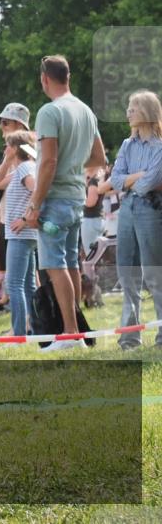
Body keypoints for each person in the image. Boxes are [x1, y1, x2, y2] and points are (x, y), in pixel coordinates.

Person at [23, 55, 107, 350]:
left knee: (55, 266)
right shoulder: (85, 110)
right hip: (76, 198)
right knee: (70, 263)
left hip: (55, 199)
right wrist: (75, 166)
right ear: (67, 77)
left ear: (45, 79)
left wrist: (34, 205)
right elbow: (99, 159)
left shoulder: (49, 111)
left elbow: (47, 162)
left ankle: (70, 334)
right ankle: (77, 331)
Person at [109, 89, 162, 350]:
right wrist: (136, 177)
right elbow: (115, 180)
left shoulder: (160, 147)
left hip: (151, 211)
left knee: (155, 275)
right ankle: (129, 338)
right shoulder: (126, 145)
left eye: (133, 107)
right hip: (127, 211)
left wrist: (133, 180)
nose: (128, 112)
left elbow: (148, 184)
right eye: (128, 107)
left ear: (148, 113)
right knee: (127, 276)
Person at [2, 130, 39, 336]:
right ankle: (35, 328)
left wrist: (25, 219)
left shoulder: (25, 167)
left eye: (8, 146)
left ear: (16, 148)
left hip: (21, 234)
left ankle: (19, 333)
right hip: (27, 235)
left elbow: (36, 190)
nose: (5, 149)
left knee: (13, 284)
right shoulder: (26, 166)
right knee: (27, 285)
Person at [0, 103, 32, 273]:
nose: (1, 126)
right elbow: (0, 187)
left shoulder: (29, 151)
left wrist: (26, 218)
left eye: (6, 122)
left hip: (21, 223)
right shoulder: (11, 149)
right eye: (1, 122)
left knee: (17, 279)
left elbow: (35, 188)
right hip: (8, 219)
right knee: (11, 275)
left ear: (20, 125)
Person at [81, 168, 106, 258]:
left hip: (90, 220)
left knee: (91, 255)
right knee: (99, 255)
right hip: (98, 218)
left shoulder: (93, 181)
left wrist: (79, 203)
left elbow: (91, 201)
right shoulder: (100, 178)